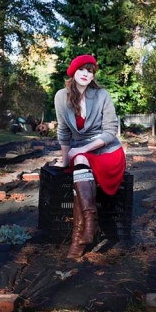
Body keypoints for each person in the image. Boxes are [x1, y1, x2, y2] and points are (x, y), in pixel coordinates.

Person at [54, 54, 126, 259]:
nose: (86, 74)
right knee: (79, 164)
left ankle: (79, 238)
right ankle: (89, 224)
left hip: (107, 151)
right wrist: (65, 158)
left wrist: (82, 151)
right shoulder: (61, 96)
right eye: (81, 70)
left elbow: (110, 131)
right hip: (80, 153)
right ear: (73, 72)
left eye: (90, 71)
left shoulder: (102, 95)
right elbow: (63, 132)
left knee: (81, 161)